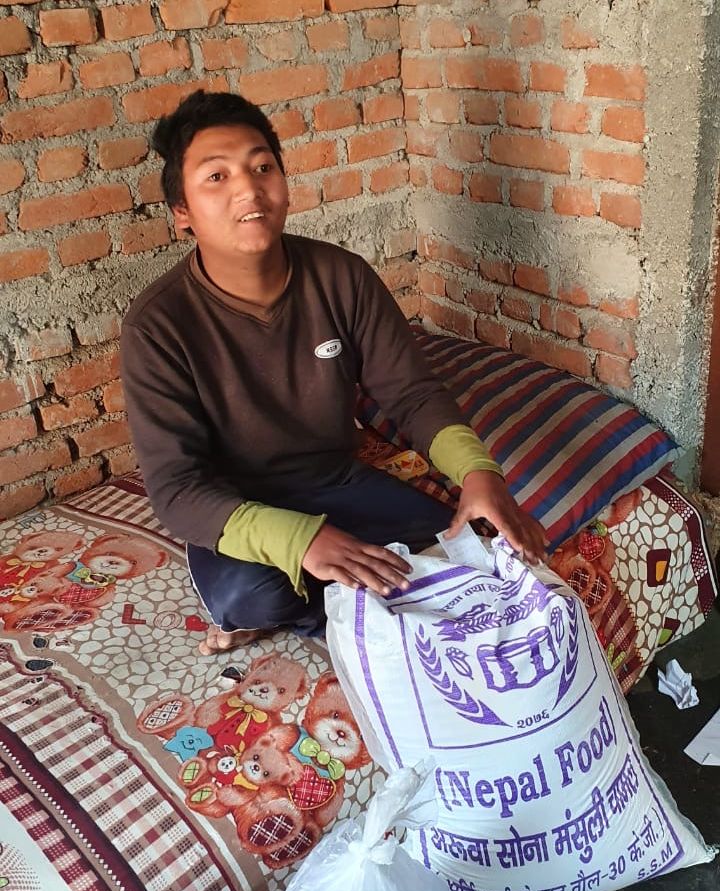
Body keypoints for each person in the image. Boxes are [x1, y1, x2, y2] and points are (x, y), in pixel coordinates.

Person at [120, 90, 547, 655]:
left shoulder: (340, 276)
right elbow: (177, 489)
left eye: (262, 166)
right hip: (237, 502)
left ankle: (345, 597)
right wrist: (303, 541)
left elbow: (413, 394)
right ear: (182, 214)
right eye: (217, 177)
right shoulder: (158, 324)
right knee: (251, 597)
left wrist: (477, 473)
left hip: (333, 478)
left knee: (460, 550)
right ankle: (304, 608)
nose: (249, 188)